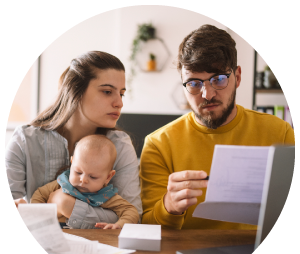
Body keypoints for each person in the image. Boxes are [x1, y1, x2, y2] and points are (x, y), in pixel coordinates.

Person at [139, 24, 295, 230]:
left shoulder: (280, 133)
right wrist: (169, 207)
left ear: (237, 77)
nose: (207, 94)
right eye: (194, 83)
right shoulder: (158, 144)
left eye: (219, 79)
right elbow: (147, 228)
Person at [6, 51, 142, 229]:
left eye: (121, 93)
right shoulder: (24, 140)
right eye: (107, 91)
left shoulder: (120, 145)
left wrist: (65, 205)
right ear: (75, 91)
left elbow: (133, 217)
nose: (119, 103)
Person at [31, 135, 139, 229]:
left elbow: (131, 211)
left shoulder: (105, 195)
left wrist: (119, 225)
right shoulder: (63, 183)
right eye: (78, 172)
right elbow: (40, 194)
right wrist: (35, 215)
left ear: (108, 177)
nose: (83, 180)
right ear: (72, 162)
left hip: (88, 238)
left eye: (93, 177)